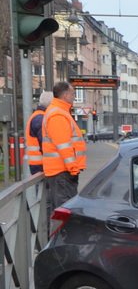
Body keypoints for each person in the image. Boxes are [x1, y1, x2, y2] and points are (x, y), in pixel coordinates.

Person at [41, 82, 87, 215]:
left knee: (61, 211)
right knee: (64, 212)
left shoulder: (59, 112)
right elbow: (64, 146)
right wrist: (73, 168)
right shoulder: (58, 114)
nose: (74, 97)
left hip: (61, 171)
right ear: (65, 95)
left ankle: (57, 235)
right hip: (62, 172)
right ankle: (60, 236)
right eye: (73, 94)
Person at [25, 90, 53, 175]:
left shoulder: (38, 116)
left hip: (38, 164)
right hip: (41, 165)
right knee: (42, 187)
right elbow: (45, 143)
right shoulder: (41, 119)